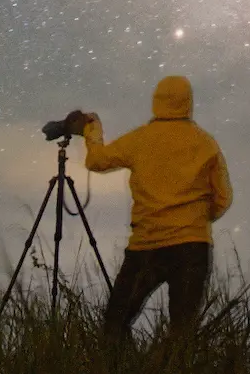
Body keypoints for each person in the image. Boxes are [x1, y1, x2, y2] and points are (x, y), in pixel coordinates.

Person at [72, 74, 232, 341]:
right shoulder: (205, 143)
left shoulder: (140, 139)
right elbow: (223, 197)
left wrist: (92, 131)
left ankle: (123, 368)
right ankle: (168, 368)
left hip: (147, 246)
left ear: (156, 101)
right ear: (188, 102)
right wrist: (195, 221)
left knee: (115, 324)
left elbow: (97, 161)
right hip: (192, 247)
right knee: (182, 334)